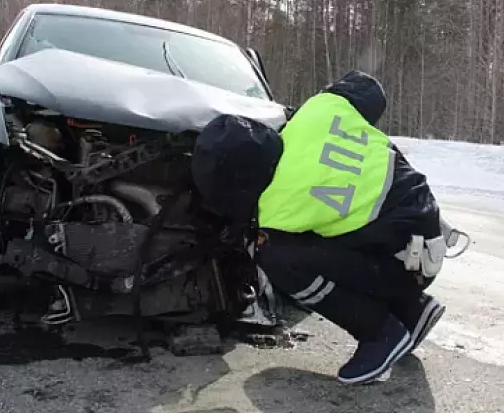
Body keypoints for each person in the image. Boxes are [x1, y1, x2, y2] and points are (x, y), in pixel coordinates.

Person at [191, 70, 459, 384]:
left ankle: (379, 334)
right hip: (428, 234)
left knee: (275, 255)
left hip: (406, 261)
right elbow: (369, 89)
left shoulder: (276, 209)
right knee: (338, 229)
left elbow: (248, 237)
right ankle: (412, 310)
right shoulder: (313, 113)